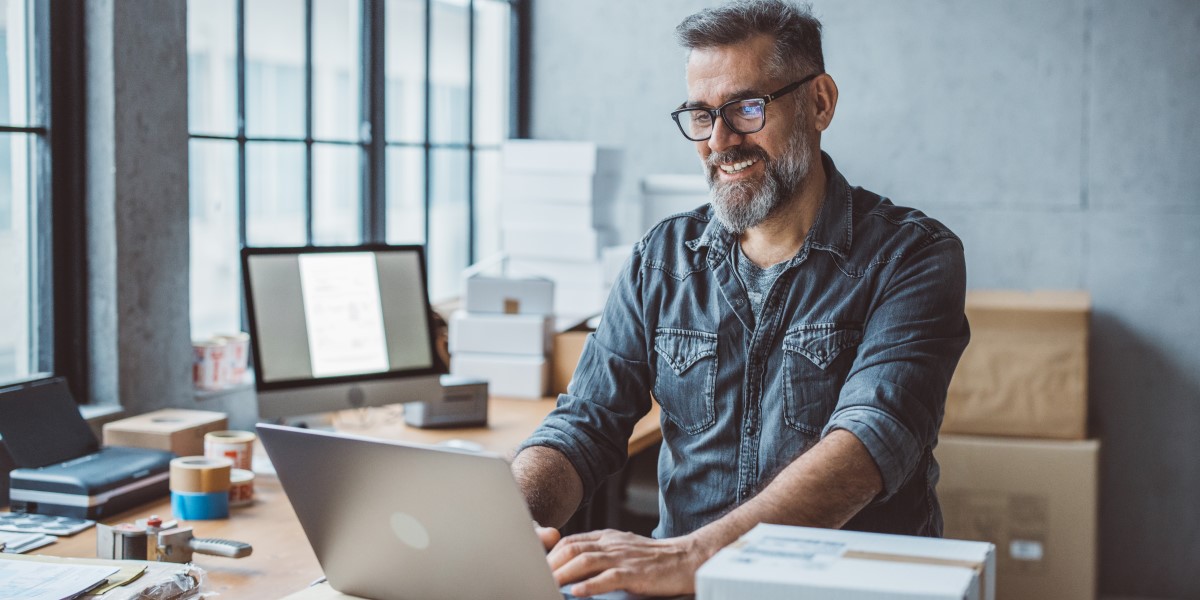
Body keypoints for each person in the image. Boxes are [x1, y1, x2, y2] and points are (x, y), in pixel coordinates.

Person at [511, 0, 970, 596]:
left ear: (821, 102)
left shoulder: (913, 256)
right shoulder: (661, 259)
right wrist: (509, 517)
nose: (720, 141)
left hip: (843, 588)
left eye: (746, 108)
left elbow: (869, 442)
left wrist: (694, 555)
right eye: (700, 116)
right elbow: (585, 424)